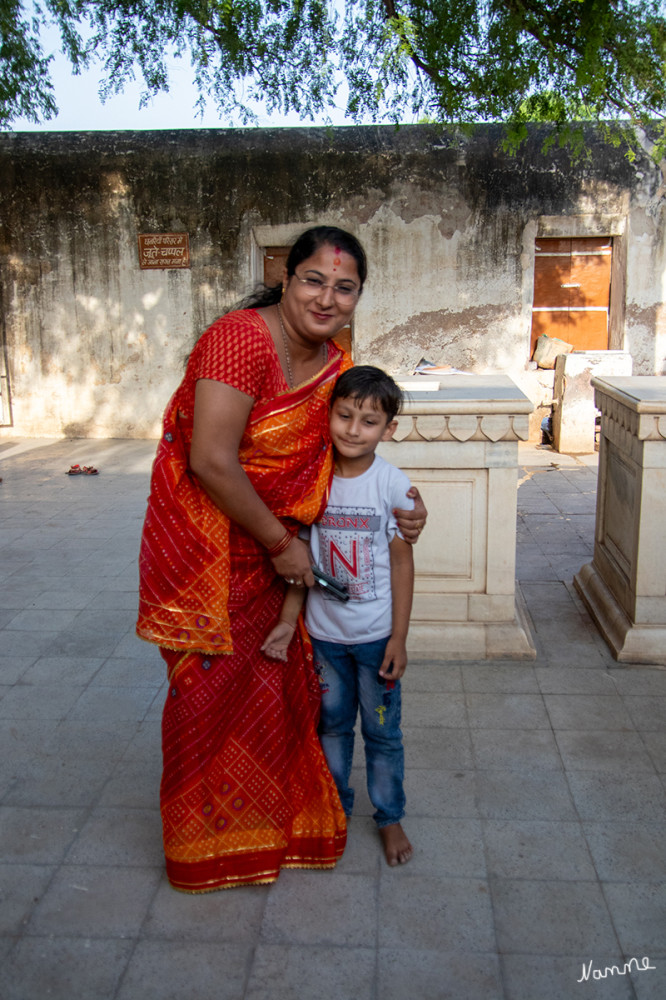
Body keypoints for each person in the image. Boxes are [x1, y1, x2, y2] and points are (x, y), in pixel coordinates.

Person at [136, 226, 427, 893]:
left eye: (344, 287)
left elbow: (342, 459)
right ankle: (202, 844)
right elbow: (210, 459)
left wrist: (408, 509)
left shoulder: (335, 360)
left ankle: (267, 822)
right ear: (287, 277)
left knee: (270, 691)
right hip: (217, 553)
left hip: (284, 559)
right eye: (313, 280)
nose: (327, 297)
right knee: (205, 695)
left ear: (358, 296)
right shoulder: (238, 339)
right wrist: (281, 545)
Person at [262, 366, 414, 866]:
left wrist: (399, 639)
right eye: (344, 416)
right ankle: (335, 810)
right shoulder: (314, 481)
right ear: (327, 416)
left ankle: (389, 818)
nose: (353, 429)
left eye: (369, 421)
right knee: (330, 726)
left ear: (389, 429)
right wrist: (288, 622)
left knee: (382, 733)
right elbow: (300, 562)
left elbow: (401, 564)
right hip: (324, 638)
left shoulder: (393, 486)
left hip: (375, 641)